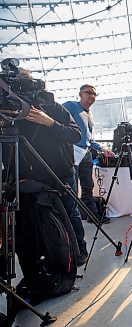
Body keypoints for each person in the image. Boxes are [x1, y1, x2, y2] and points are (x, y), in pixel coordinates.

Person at [0, 68, 89, 266]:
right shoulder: (9, 115)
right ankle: (51, 253)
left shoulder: (54, 107)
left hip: (61, 174)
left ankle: (79, 250)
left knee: (69, 212)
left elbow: (75, 135)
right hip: (31, 179)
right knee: (39, 218)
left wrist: (49, 122)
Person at [63, 84, 114, 224]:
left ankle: (92, 215)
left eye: (94, 94)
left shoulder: (89, 115)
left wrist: (102, 149)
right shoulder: (70, 106)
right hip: (71, 152)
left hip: (85, 154)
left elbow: (90, 139)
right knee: (72, 186)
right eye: (88, 93)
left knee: (88, 185)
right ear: (80, 94)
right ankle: (72, 219)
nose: (92, 96)